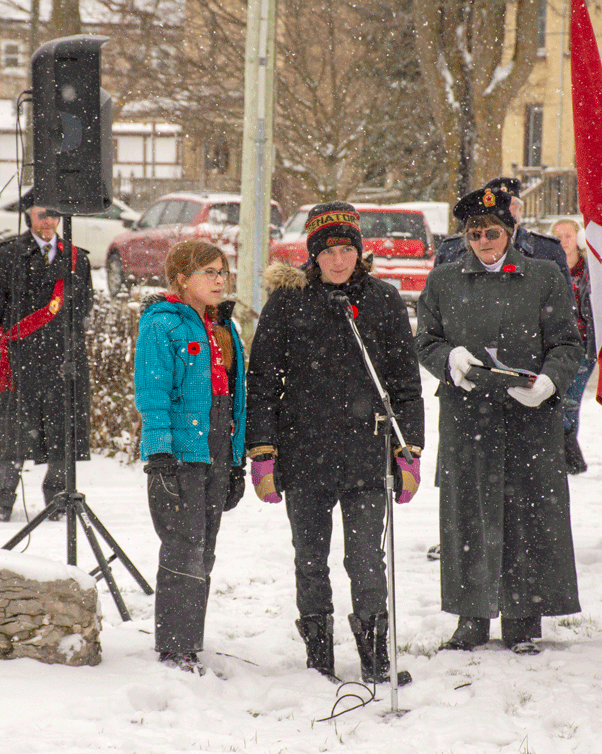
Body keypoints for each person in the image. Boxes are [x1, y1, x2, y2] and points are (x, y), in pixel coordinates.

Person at [245, 201, 424, 684]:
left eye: (347, 249)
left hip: (367, 455)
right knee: (310, 559)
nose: (338, 260)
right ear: (313, 255)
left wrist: (409, 449)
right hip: (304, 454)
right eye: (328, 251)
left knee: (366, 560)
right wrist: (262, 452)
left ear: (359, 251)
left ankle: (375, 656)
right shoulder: (289, 302)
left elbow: (405, 383)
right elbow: (262, 382)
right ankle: (319, 656)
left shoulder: (384, 301)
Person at [415, 184, 582, 654]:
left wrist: (550, 382)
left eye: (492, 232)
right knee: (468, 515)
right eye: (474, 234)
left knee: (528, 513)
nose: (484, 242)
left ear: (510, 232)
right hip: (468, 417)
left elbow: (567, 342)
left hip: (530, 417)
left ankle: (523, 618)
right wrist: (449, 359)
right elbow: (425, 339)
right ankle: (471, 617)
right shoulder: (444, 280)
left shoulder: (544, 275)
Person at [133, 239, 247, 675]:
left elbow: (235, 397)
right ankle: (175, 647)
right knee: (183, 545)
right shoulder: (162, 324)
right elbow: (153, 393)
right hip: (181, 451)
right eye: (209, 272)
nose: (219, 280)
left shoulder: (222, 326)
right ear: (182, 278)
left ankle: (189, 639)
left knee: (206, 545)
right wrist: (159, 454)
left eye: (222, 272)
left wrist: (235, 459)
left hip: (216, 445)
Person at [0, 191, 92, 522]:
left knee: (62, 433)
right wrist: (0, 352)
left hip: (62, 361)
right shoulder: (5, 255)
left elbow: (83, 307)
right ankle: (1, 502)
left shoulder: (76, 258)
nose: (50, 221)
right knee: (11, 436)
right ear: (28, 215)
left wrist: (66, 348)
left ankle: (58, 500)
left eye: (55, 214)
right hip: (19, 360)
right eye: (43, 214)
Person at [434, 177, 570, 283]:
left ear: (520, 209)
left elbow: (564, 304)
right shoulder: (450, 250)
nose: (503, 210)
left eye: (509, 204)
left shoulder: (548, 250)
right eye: (496, 206)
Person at [550, 217, 596, 475]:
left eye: (567, 235)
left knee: (570, 401)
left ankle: (570, 457)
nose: (563, 241)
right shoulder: (551, 268)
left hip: (583, 344)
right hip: (557, 343)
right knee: (558, 399)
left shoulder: (590, 270)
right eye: (557, 236)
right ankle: (568, 456)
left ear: (578, 239)